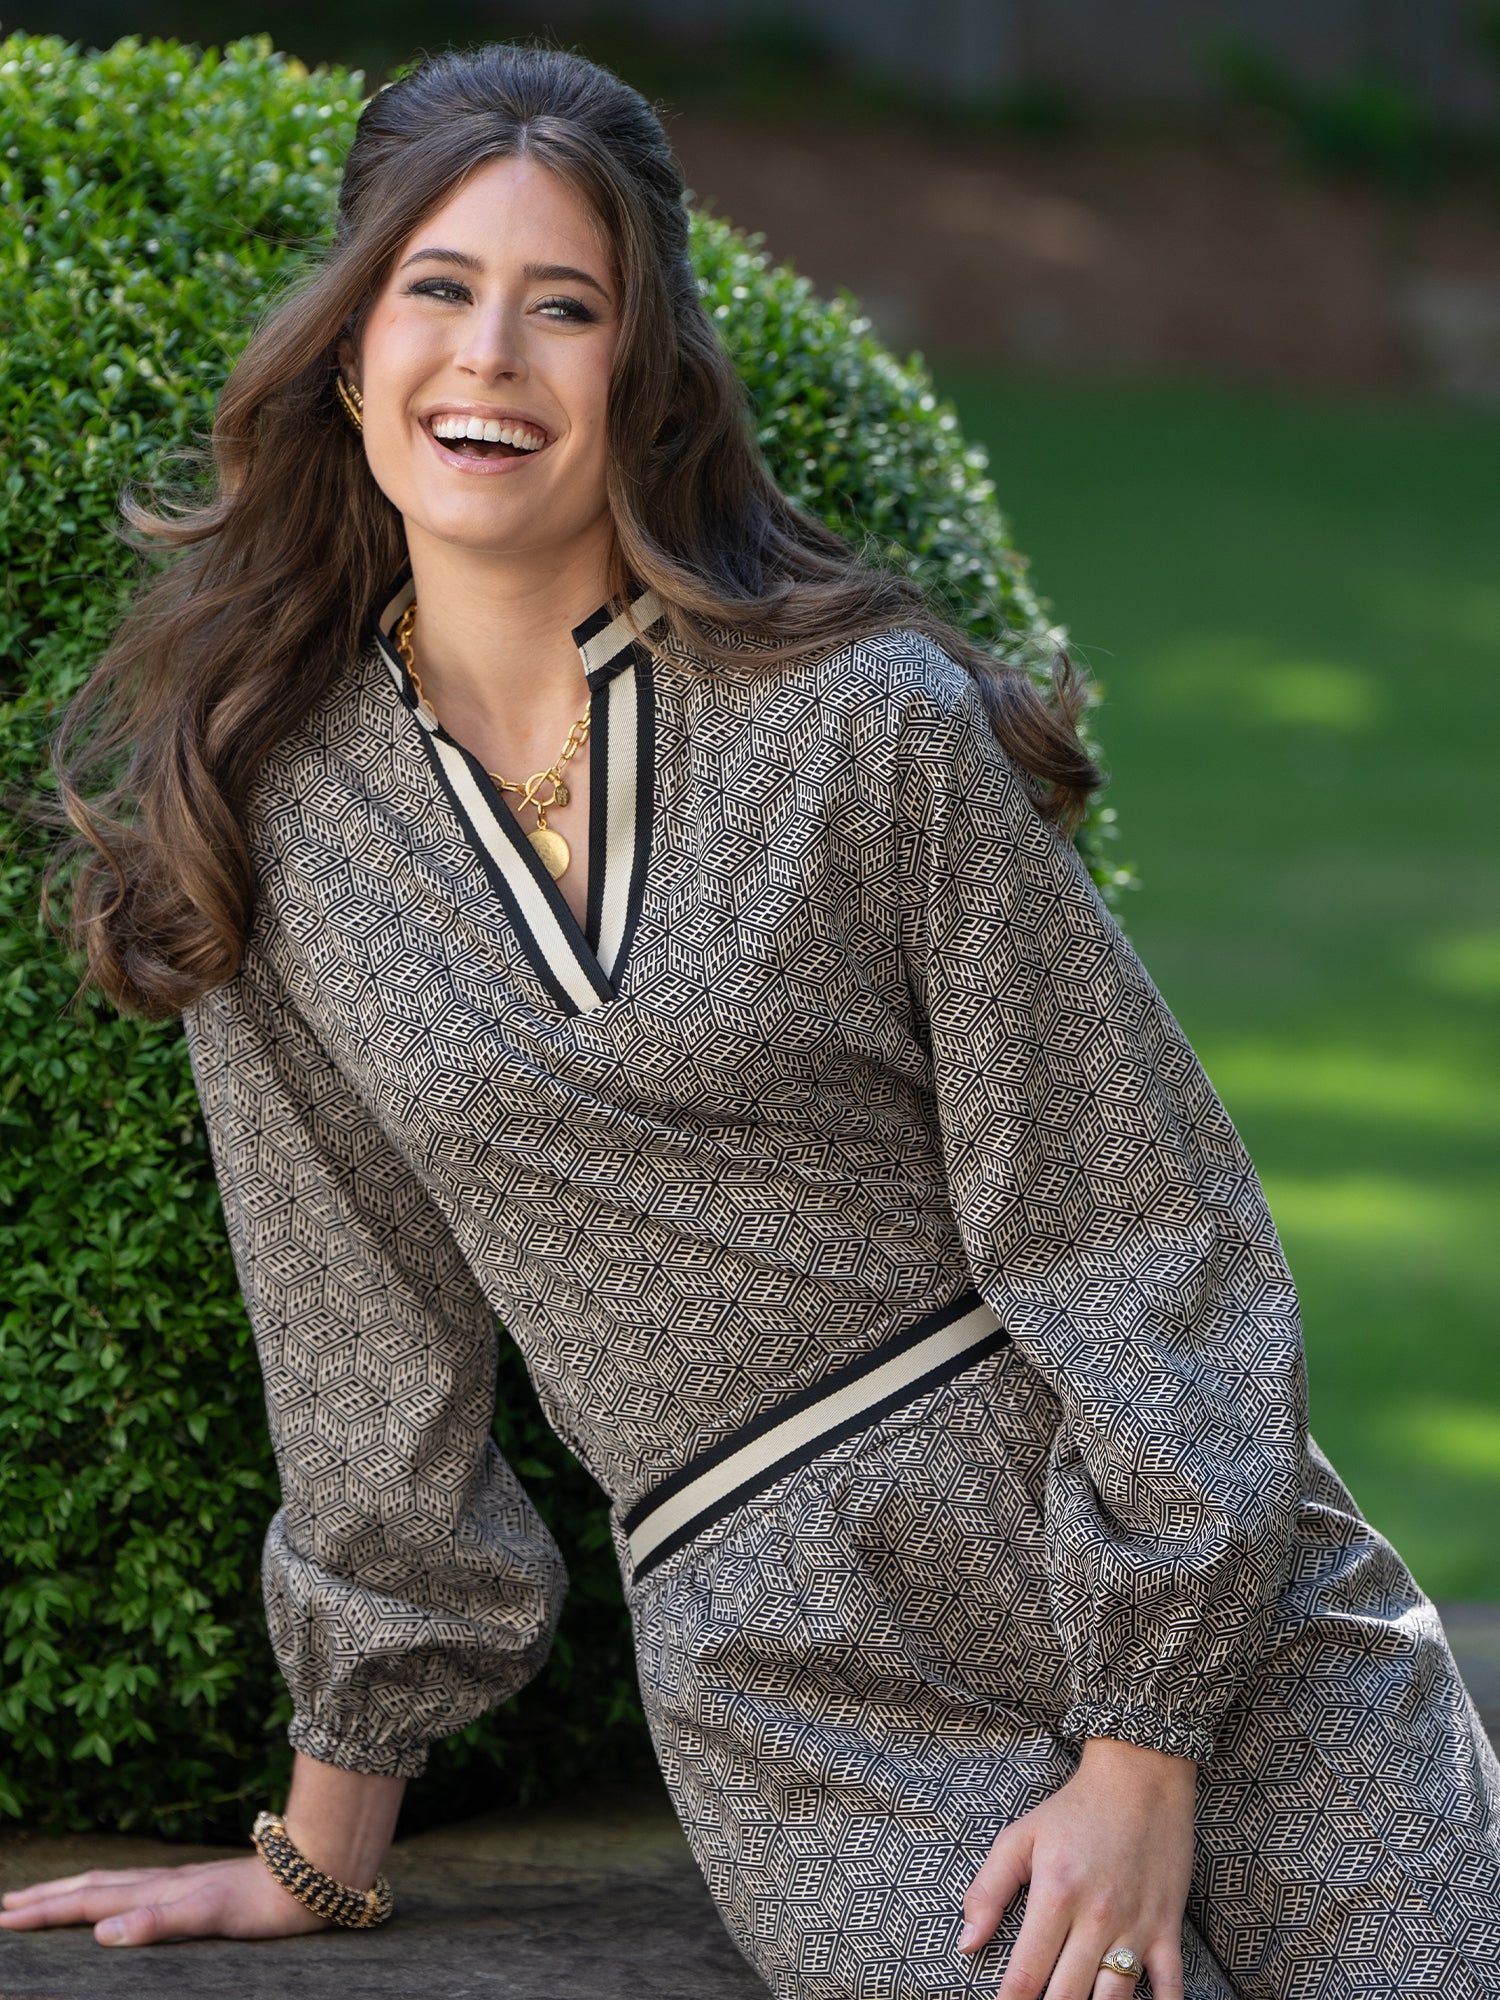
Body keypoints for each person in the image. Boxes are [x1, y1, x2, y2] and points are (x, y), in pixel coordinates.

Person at [7, 40, 1499, 2000]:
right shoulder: (270, 821)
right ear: (352, 346)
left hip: (1191, 1581)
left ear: (645, 374)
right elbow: (363, 1353)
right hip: (806, 1675)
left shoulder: (862, 720)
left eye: (566, 307)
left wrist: (1147, 1741)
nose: (490, 357)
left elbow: (1137, 1221)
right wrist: (321, 1844)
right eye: (439, 289)